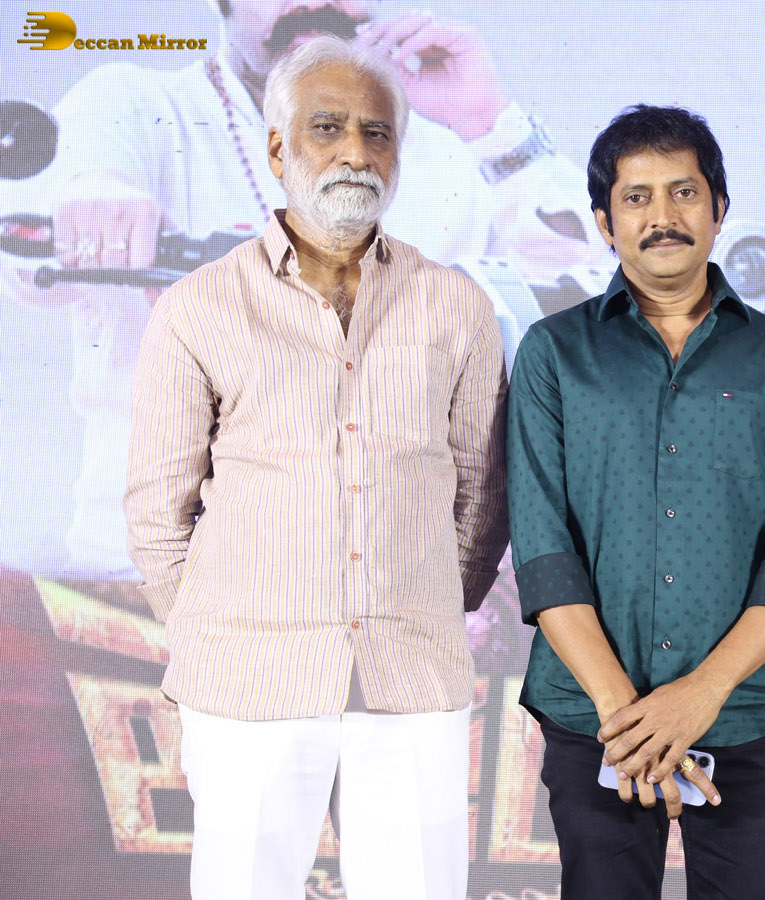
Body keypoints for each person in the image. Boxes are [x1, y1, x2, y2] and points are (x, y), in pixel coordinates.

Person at [9, 0, 605, 579]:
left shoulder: (435, 152)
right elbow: (26, 241)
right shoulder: (136, 107)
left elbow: (596, 307)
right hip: (163, 579)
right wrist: (95, 199)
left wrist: (488, 126)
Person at [123, 37, 508, 899]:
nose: (355, 153)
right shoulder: (200, 307)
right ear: (277, 148)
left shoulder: (455, 305)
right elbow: (157, 512)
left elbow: (483, 498)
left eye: (377, 133)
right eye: (327, 128)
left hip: (411, 679)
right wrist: (219, 630)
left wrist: (419, 603)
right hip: (246, 685)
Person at [506, 104, 765, 899]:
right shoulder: (554, 354)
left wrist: (699, 695)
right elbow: (544, 550)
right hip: (595, 722)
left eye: (684, 192)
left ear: (719, 208)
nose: (663, 216)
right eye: (637, 197)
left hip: (744, 713)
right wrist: (626, 717)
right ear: (604, 221)